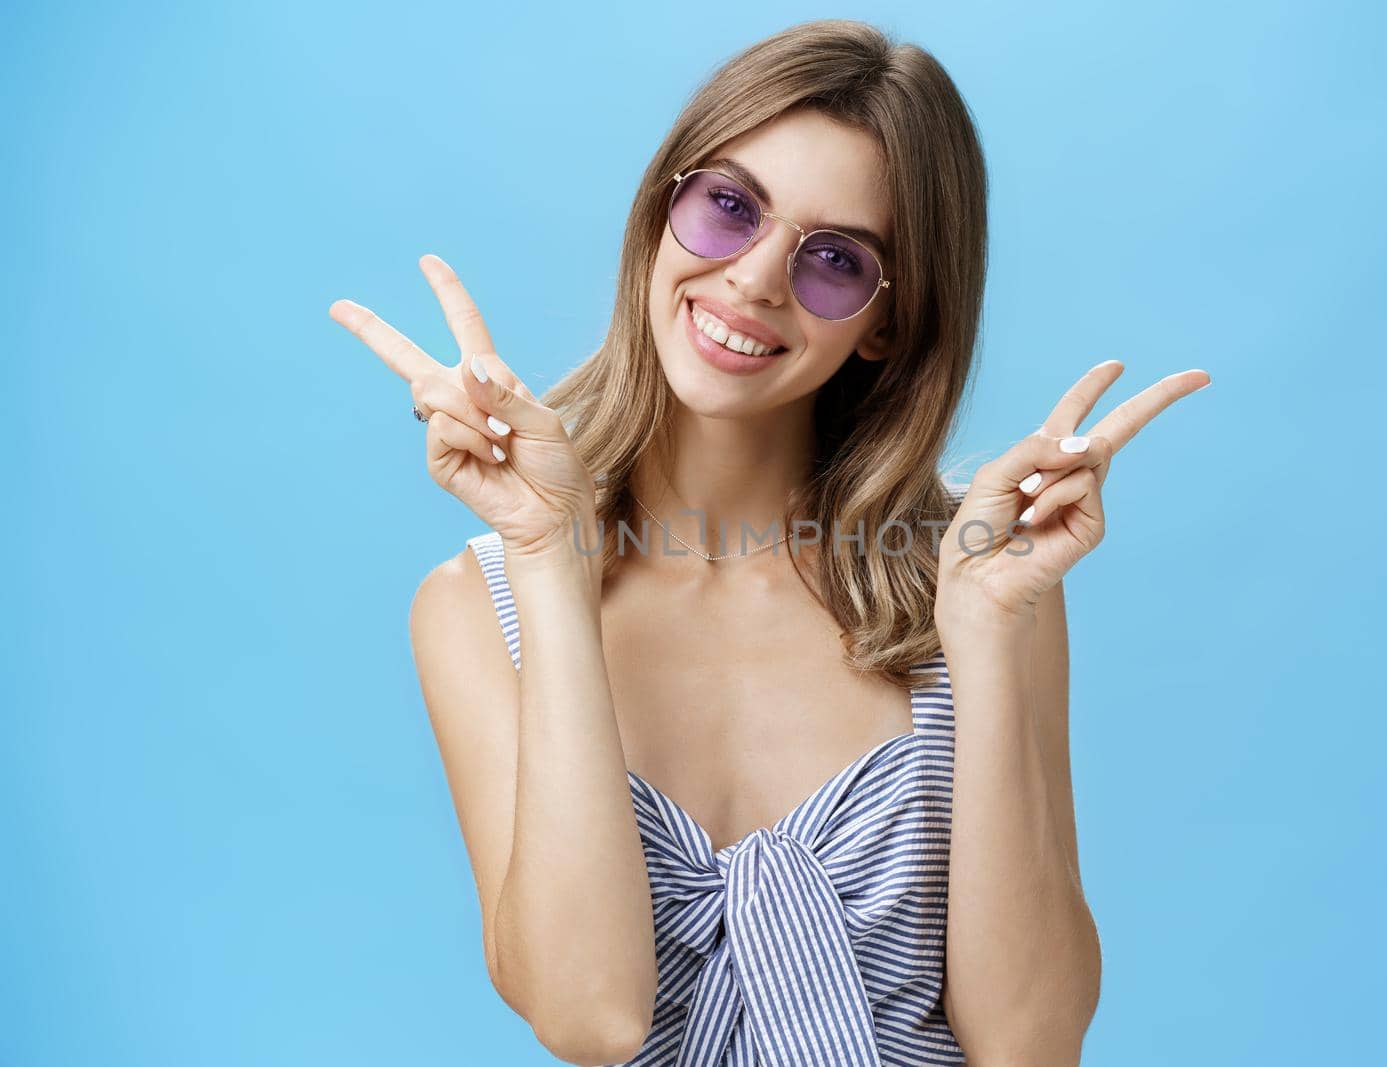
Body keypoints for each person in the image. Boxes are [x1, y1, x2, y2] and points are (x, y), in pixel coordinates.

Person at [330, 18, 1206, 1066]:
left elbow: (1031, 1041)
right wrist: (550, 561)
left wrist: (980, 633)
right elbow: (589, 1015)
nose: (753, 279)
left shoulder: (984, 579)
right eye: (729, 207)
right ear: (664, 207)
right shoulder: (479, 607)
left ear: (885, 321)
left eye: (834, 259)